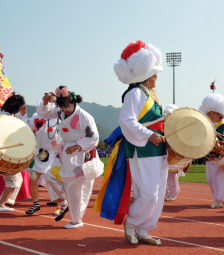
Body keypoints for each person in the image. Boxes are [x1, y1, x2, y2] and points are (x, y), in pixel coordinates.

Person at [97, 41, 167, 246]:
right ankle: (133, 223)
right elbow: (126, 121)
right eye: (154, 74)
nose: (156, 77)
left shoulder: (151, 95)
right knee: (148, 193)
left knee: (158, 192)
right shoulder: (134, 94)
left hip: (157, 150)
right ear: (145, 75)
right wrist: (148, 135)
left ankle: (143, 229)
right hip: (142, 149)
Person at [37, 86, 104, 229]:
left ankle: (76, 219)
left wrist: (78, 146)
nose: (65, 110)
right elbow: (44, 113)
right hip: (65, 153)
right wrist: (44, 101)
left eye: (67, 106)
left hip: (82, 155)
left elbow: (94, 137)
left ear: (74, 102)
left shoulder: (84, 116)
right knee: (55, 178)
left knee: (79, 187)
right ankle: (69, 208)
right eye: (62, 107)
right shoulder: (60, 112)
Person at [26, 112, 62, 215]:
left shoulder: (61, 117)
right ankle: (36, 204)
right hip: (39, 153)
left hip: (54, 154)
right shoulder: (36, 116)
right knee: (32, 178)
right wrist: (23, 115)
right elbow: (27, 127)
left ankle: (59, 205)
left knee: (53, 180)